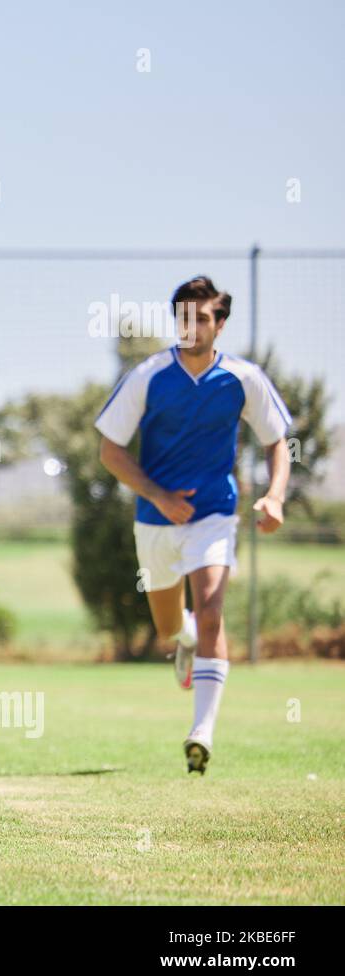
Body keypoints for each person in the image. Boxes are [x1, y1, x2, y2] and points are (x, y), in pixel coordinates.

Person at [96, 276, 291, 774]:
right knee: (170, 626)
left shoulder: (243, 379)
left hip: (215, 513)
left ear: (219, 324)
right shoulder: (150, 375)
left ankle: (201, 732)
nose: (191, 326)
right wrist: (159, 496)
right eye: (183, 317)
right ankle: (181, 642)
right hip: (154, 522)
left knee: (210, 613)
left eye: (201, 318)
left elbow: (276, 440)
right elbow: (110, 451)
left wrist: (274, 495)